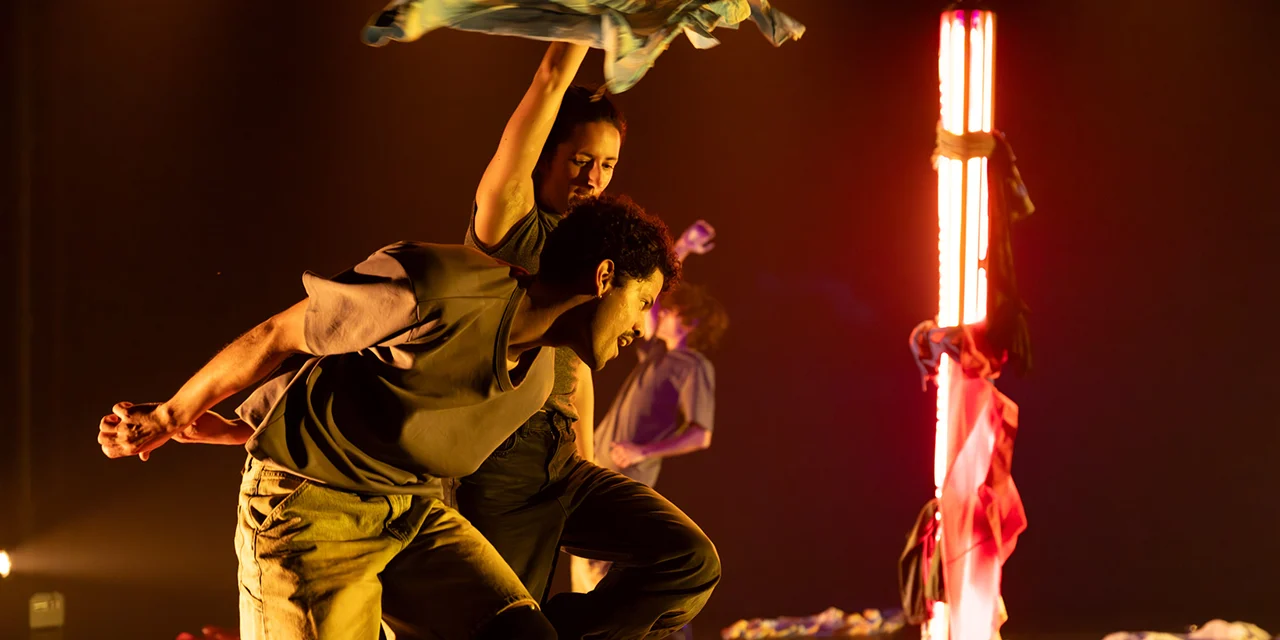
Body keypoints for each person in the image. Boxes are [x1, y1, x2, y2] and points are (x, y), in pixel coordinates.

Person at [98, 194, 679, 640]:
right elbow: (281, 333)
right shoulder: (443, 286)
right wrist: (172, 414)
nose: (642, 325)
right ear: (604, 277)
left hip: (411, 512)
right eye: (643, 302)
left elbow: (397, 409)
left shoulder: (541, 382)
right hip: (310, 514)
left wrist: (231, 431)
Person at [454, 41, 720, 639]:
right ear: (545, 155)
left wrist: (587, 458)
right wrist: (585, 23)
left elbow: (577, 366)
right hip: (499, 466)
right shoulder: (509, 221)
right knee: (500, 623)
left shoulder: (589, 244)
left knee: (689, 561)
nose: (593, 179)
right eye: (580, 160)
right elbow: (550, 81)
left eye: (607, 166)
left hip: (564, 462)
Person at [570, 283, 728, 640]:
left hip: (625, 477)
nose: (663, 313)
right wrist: (681, 255)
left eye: (674, 312)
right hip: (597, 470)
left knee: (607, 578)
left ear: (691, 323)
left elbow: (701, 435)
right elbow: (650, 305)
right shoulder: (658, 355)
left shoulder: (694, 366)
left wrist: (643, 451)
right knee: (585, 575)